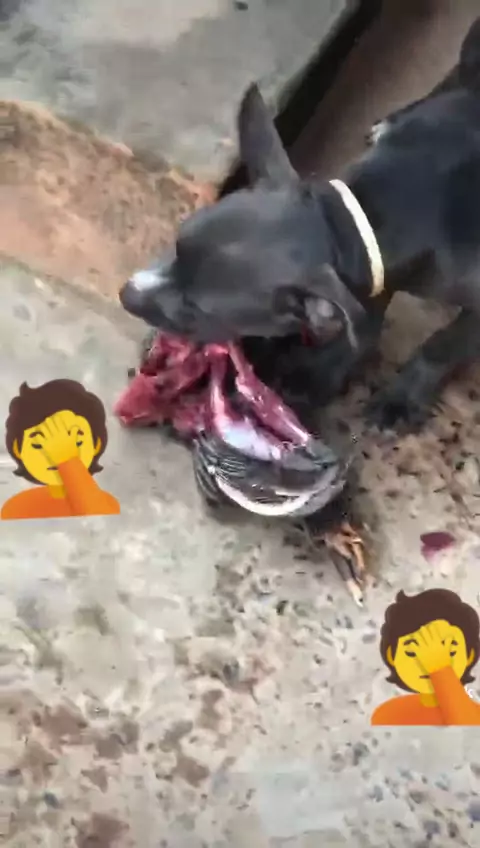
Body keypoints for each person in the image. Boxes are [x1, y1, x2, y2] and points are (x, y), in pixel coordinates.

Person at [1, 380, 120, 520]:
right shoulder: (16, 508)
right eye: (39, 445)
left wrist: (68, 459)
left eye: (77, 443)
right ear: (17, 449)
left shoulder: (106, 505)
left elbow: (96, 518)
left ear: (97, 445)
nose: (55, 457)